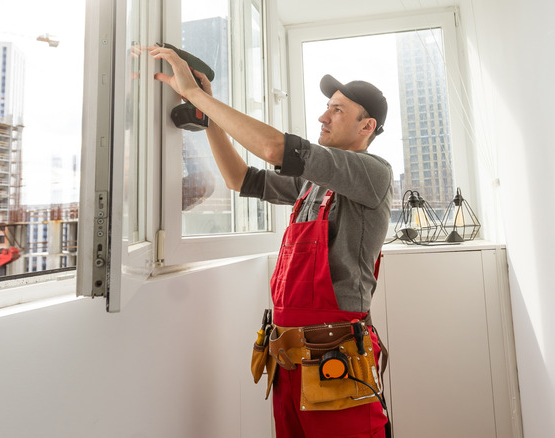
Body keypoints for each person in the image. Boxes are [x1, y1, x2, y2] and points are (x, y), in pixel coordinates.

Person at [151, 45, 393, 438]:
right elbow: (239, 178)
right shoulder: (312, 182)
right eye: (327, 106)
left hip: (338, 366)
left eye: (337, 110)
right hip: (288, 364)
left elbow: (275, 148)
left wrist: (195, 96)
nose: (323, 116)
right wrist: (208, 110)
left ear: (367, 127)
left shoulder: (372, 173)